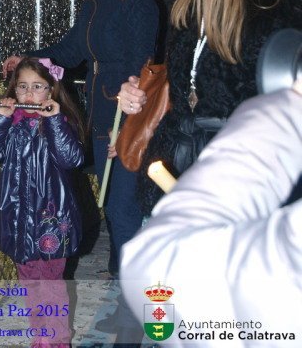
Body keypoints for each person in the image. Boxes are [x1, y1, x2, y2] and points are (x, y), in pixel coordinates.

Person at [118, 0, 302, 217]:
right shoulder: (185, 5)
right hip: (173, 173)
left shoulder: (277, 20)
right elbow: (181, 90)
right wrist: (138, 95)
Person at [4, 0, 160, 276]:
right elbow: (70, 51)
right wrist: (27, 58)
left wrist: (128, 127)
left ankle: (133, 282)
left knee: (122, 207)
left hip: (128, 114)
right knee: (114, 206)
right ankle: (123, 274)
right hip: (102, 114)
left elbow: (142, 69)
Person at [120, 83, 302, 345]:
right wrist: (138, 94)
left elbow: (160, 259)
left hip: (238, 162)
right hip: (186, 147)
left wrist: (286, 106)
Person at [0, 57, 84, 348]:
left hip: (51, 220)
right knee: (29, 279)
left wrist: (55, 121)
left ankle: (58, 341)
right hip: (17, 217)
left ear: (51, 90)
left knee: (51, 281)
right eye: (22, 86)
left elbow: (71, 159)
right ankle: (41, 337)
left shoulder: (59, 122)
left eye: (37, 86)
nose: (29, 94)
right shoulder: (10, 123)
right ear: (14, 90)